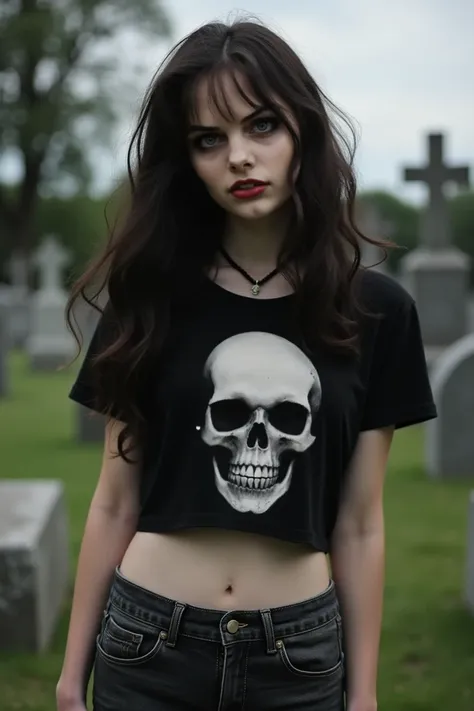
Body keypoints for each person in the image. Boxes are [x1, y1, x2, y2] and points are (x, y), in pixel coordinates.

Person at [56, 17, 437, 711]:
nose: (238, 155)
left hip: (297, 655)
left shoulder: (379, 312)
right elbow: (114, 498)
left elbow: (360, 522)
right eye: (210, 138)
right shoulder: (149, 301)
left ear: (303, 136)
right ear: (188, 159)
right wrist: (68, 678)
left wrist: (365, 692)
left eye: (262, 126)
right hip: (146, 644)